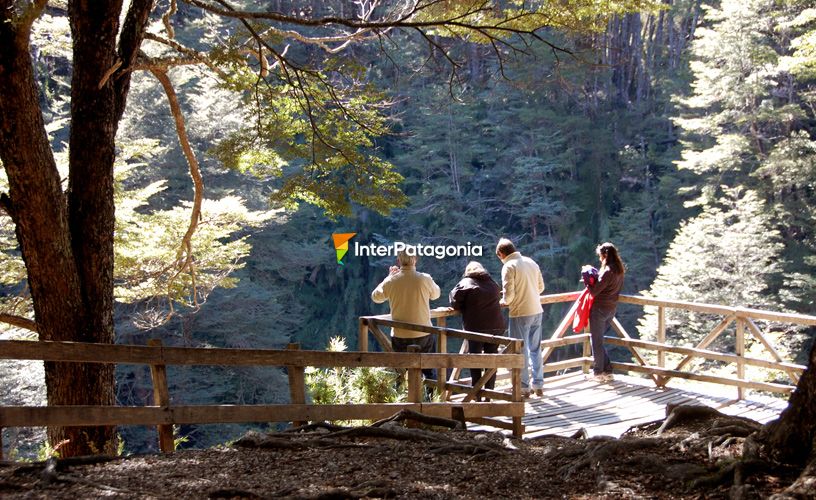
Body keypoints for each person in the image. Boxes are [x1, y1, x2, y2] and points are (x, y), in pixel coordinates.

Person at [371, 247, 441, 380]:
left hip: (400, 334)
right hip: (424, 333)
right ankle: (430, 399)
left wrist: (388, 277)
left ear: (398, 261)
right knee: (429, 371)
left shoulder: (391, 281)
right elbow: (436, 294)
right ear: (415, 259)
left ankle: (404, 398)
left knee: (402, 372)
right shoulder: (424, 278)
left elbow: (375, 296)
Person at [495, 238, 545, 398]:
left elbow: (509, 295)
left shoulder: (509, 266)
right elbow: (541, 287)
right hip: (537, 310)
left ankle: (523, 386)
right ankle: (538, 384)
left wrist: (503, 301)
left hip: (520, 312)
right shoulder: (531, 262)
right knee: (535, 349)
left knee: (520, 350)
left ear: (501, 254)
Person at [449, 261, 506, 396]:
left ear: (468, 271)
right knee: (491, 360)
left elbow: (454, 301)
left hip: (476, 329)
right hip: (496, 327)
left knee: (475, 360)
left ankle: (476, 392)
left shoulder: (465, 283)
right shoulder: (492, 283)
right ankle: (489, 393)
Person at [584, 242, 625, 382]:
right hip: (611, 309)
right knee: (598, 340)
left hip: (599, 309)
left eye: (601, 256)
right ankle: (607, 371)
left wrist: (587, 281)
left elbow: (594, 291)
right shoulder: (619, 270)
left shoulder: (607, 271)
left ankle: (598, 373)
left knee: (596, 341)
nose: (600, 259)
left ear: (605, 255)